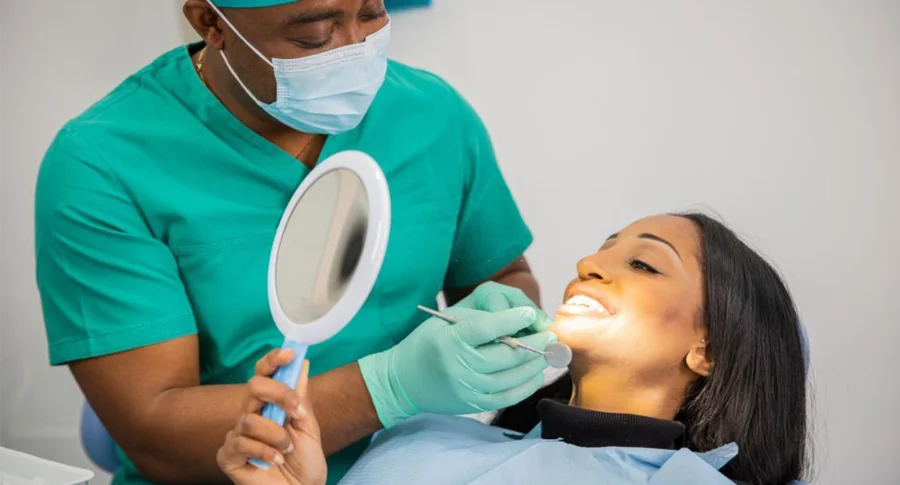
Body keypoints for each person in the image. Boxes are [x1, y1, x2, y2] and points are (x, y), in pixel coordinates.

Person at [33, 1, 556, 485]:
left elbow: (502, 274)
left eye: (371, 13)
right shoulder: (103, 163)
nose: (355, 47)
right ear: (210, 22)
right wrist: (391, 386)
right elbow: (155, 434)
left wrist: (509, 318)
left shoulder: (432, 113)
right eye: (314, 36)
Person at [217, 213, 810, 485]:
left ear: (707, 350)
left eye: (642, 262)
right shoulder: (422, 439)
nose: (588, 265)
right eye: (602, 247)